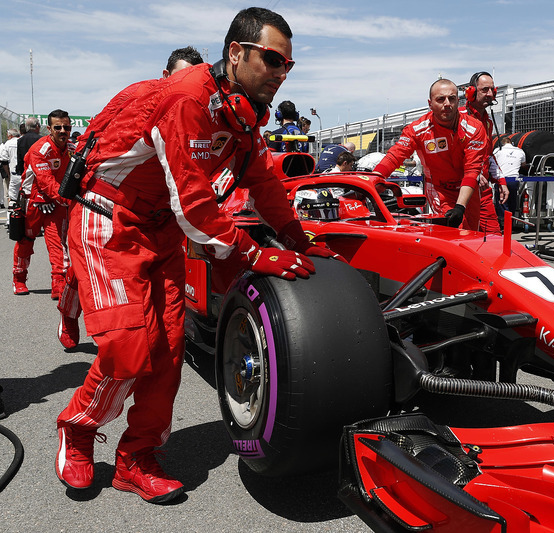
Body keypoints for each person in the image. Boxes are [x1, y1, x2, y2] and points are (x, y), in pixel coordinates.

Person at [54, 7, 339, 503]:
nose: (280, 72)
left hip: (162, 230)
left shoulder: (245, 114)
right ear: (237, 52)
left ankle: (136, 459)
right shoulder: (187, 99)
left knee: (166, 350)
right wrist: (254, 255)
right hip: (108, 217)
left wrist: (299, 239)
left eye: (288, 65)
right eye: (272, 59)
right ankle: (77, 432)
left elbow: (262, 183)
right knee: (127, 348)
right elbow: (194, 202)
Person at [57, 44, 207, 350]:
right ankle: (69, 314)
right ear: (166, 75)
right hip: (106, 203)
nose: (186, 89)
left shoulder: (198, 113)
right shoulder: (138, 94)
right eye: (181, 77)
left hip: (159, 213)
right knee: (79, 273)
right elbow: (93, 136)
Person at [373, 78, 488, 230]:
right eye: (440, 99)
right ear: (430, 104)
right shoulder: (417, 130)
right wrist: (373, 179)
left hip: (468, 189)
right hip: (440, 189)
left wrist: (460, 207)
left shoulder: (475, 128)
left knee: (472, 234)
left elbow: (472, 171)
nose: (447, 104)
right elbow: (395, 156)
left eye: (452, 98)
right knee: (451, 232)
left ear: (458, 101)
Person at [12, 110, 74, 297]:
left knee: (58, 243)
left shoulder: (72, 148)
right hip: (33, 201)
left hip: (57, 201)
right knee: (26, 240)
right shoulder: (40, 149)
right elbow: (45, 180)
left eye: (67, 127)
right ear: (49, 129)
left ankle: (59, 283)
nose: (63, 130)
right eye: (58, 127)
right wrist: (66, 199)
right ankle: (19, 279)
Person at [460, 71, 508, 234]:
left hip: (483, 191)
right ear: (471, 91)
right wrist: (473, 173)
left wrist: (501, 180)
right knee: (462, 238)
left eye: (492, 90)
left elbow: (488, 154)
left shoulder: (487, 122)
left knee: (494, 237)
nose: (490, 94)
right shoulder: (457, 117)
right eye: (485, 90)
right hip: (460, 191)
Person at [493, 136, 528, 221]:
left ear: (502, 143)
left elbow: (493, 162)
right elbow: (524, 165)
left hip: (502, 178)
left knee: (501, 201)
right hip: (514, 179)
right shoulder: (520, 151)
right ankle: (511, 221)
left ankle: (503, 221)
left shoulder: (498, 150)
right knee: (512, 200)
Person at [0, 128, 21, 207]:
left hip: (13, 173)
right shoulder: (23, 141)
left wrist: (8, 174)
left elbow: (4, 160)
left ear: (10, 136)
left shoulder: (6, 144)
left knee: (12, 196)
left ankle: (11, 215)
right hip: (25, 172)